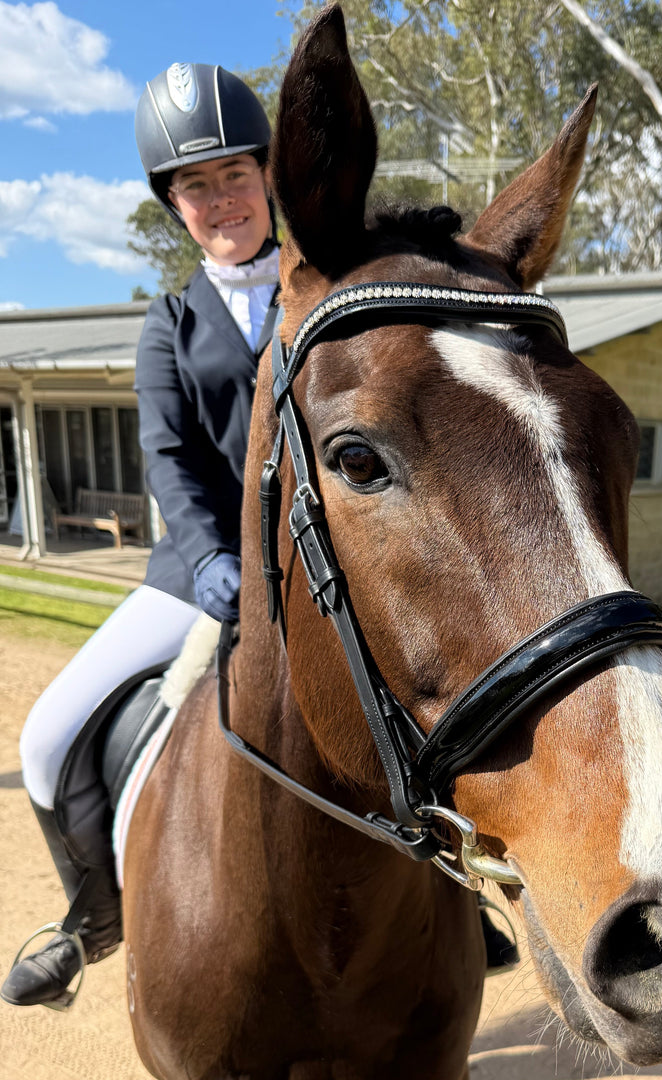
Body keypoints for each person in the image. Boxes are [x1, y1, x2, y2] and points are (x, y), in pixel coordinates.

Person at [2, 62, 279, 1008]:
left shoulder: (329, 287)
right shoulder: (166, 324)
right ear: (175, 206)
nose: (219, 199)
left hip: (331, 567)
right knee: (45, 739)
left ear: (269, 175)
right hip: (196, 577)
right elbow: (168, 457)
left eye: (233, 174)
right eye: (194, 186)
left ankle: (464, 902)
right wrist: (207, 557)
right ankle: (93, 917)